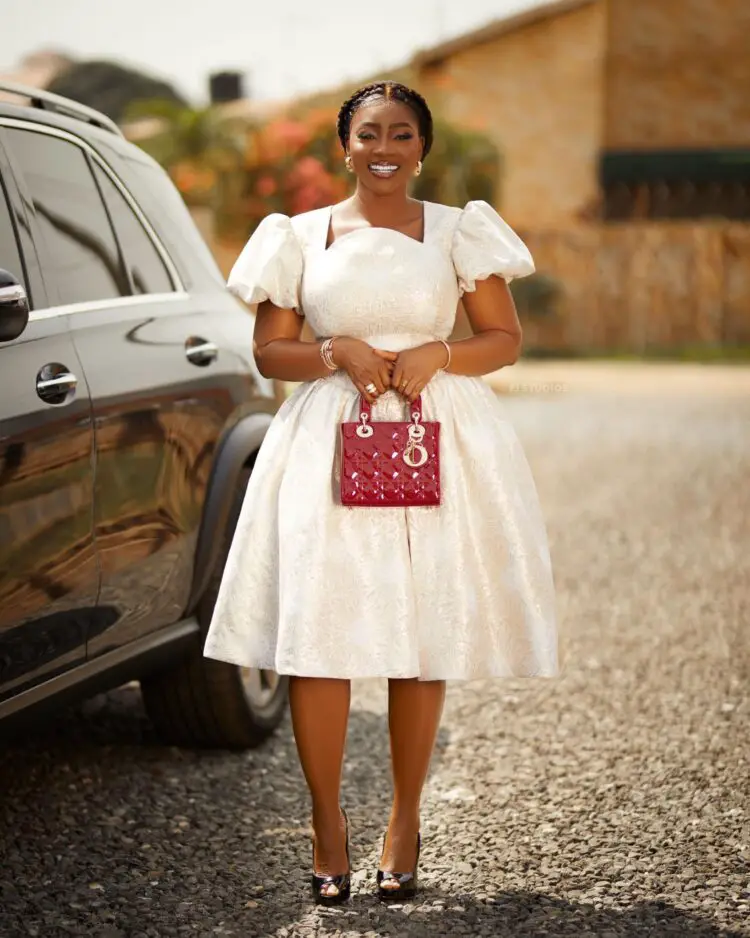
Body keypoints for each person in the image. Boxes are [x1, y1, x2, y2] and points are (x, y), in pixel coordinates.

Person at [203, 80, 557, 905]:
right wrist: (339, 352)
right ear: (345, 145)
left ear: (421, 146)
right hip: (330, 441)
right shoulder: (298, 236)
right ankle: (328, 825)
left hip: (438, 437)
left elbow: (503, 339)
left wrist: (439, 352)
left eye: (401, 132)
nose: (385, 146)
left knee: (418, 629)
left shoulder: (456, 231)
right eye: (369, 133)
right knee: (320, 634)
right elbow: (270, 353)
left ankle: (404, 819)